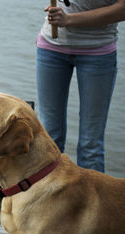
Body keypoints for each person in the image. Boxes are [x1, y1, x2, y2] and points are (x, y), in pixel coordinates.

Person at [36, 0, 125, 172]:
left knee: (90, 144)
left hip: (98, 52)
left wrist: (68, 20)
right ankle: (47, 197)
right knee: (49, 137)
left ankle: (91, 198)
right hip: (51, 48)